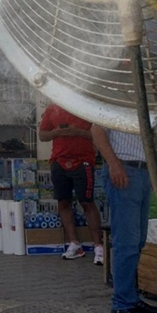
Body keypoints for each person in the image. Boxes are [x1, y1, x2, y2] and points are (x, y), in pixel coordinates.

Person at [90, 125, 157, 313]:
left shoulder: (141, 104)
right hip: (124, 168)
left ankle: (131, 296)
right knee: (127, 241)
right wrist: (114, 164)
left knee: (138, 240)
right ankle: (122, 303)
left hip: (141, 170)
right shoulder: (116, 100)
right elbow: (96, 130)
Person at [38, 103, 104, 263]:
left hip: (83, 161)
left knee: (87, 202)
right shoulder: (52, 108)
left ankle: (98, 246)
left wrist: (77, 132)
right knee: (63, 202)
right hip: (59, 161)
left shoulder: (86, 107)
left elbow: (99, 135)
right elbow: (42, 135)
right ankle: (74, 244)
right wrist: (57, 132)